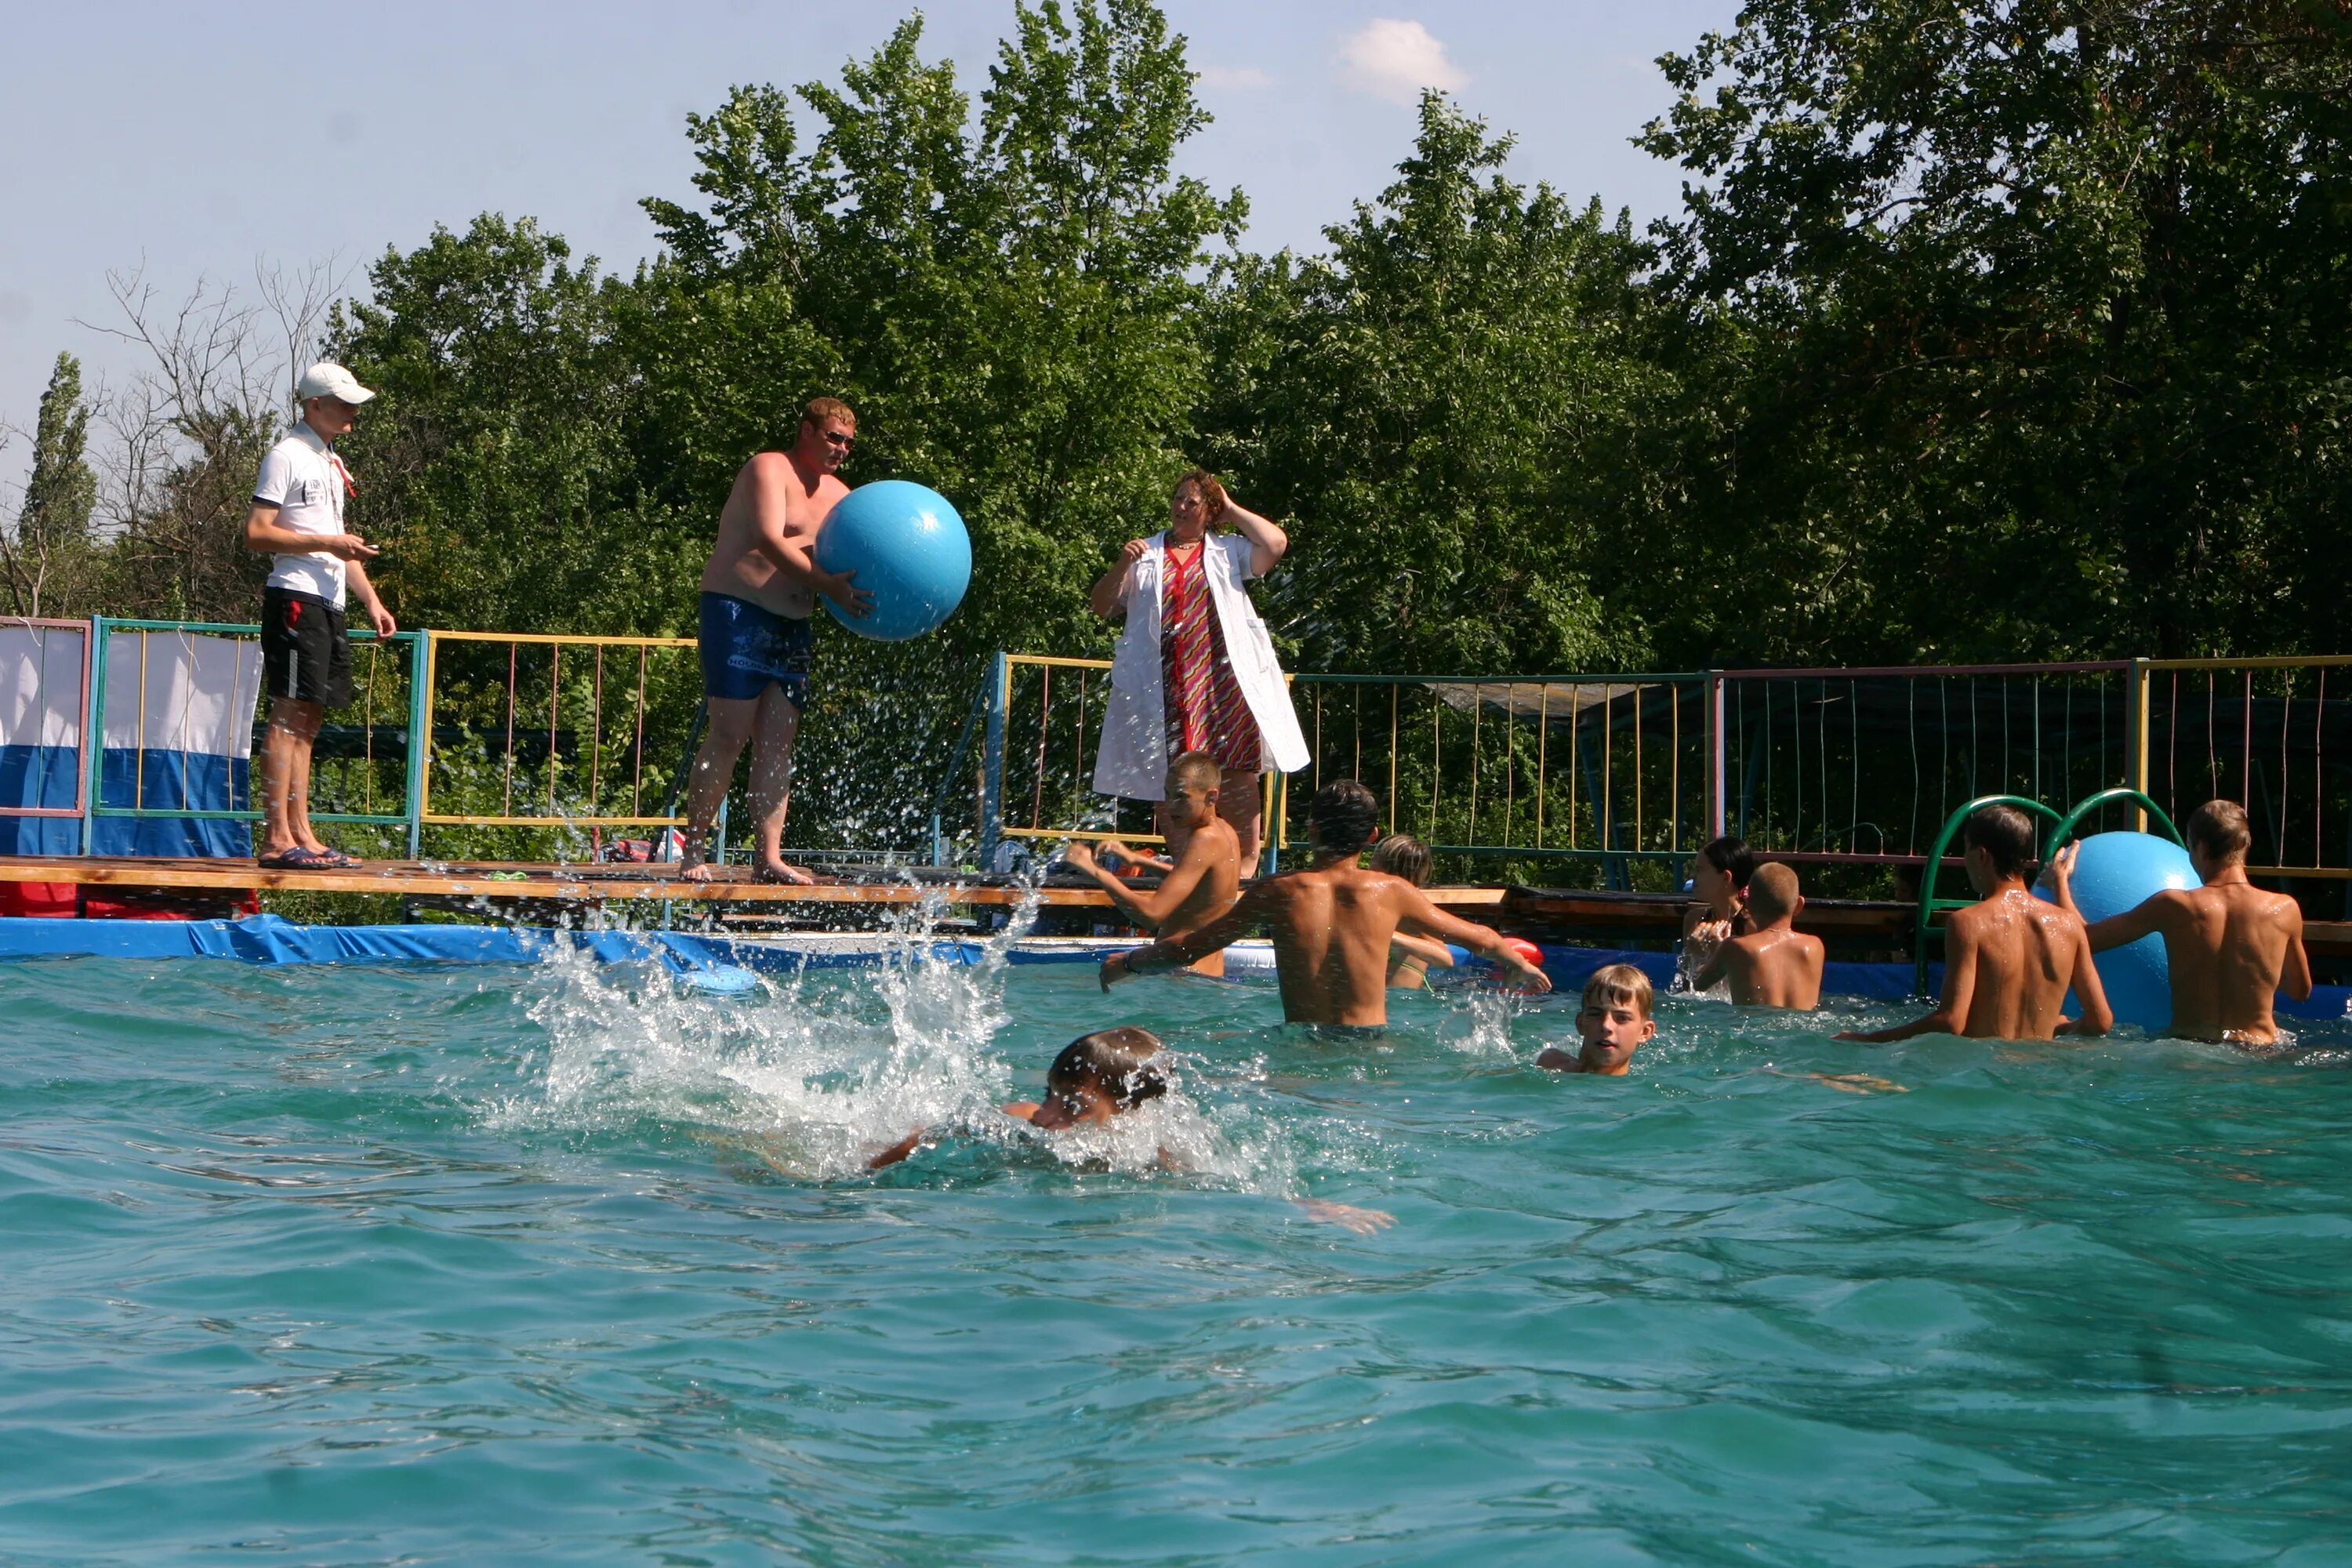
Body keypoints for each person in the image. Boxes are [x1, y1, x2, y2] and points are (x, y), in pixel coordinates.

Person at [1099, 780, 1550, 1026]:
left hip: (1300, 1044)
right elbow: (1479, 938)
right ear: (1373, 837)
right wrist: (1521, 963)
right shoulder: (1390, 891)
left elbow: (1190, 947)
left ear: (1311, 830)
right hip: (1372, 1049)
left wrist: (1128, 963)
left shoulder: (1277, 892)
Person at [869, 1027, 1393, 1235]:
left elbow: (1231, 1183)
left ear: (1127, 1111)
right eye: (1052, 1095)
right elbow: (930, 1134)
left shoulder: (1154, 1148)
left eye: (1072, 1105)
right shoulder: (1021, 1121)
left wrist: (1310, 1207)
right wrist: (861, 1171)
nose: (1050, 1116)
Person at [683, 397, 873, 884]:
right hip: (736, 611)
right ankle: (694, 852)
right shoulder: (768, 467)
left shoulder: (841, 496)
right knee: (730, 735)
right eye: (834, 437)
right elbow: (770, 539)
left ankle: (769, 857)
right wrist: (831, 585)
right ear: (806, 431)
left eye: (849, 442)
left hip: (793, 624)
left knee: (777, 746)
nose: (842, 449)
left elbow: (864, 552)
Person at [1089, 470, 1308, 873]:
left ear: (1210, 511)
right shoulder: (1146, 554)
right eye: (1177, 499)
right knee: (1169, 771)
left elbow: (1275, 543)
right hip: (1166, 683)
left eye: (1192, 502)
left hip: (1223, 680)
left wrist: (1232, 510)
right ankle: (1185, 865)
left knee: (1238, 766)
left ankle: (1244, 866)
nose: (1181, 507)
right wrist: (1123, 562)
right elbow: (1102, 606)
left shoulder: (1229, 550)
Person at [242, 362, 397, 869]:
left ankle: (302, 833)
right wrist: (328, 542)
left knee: (308, 719)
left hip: (327, 602)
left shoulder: (328, 460)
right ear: (314, 405)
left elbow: (339, 544)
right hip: (294, 597)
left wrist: (371, 601)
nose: (353, 411)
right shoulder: (285, 455)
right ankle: (275, 839)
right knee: (287, 717)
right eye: (344, 402)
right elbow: (259, 532)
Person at [1836, 803, 2113, 1043]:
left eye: (1965, 851)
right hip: (2041, 1075)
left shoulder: (1968, 923)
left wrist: (1868, 1039)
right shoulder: (2068, 925)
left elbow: (1950, 1021)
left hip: (1986, 1075)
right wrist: (2060, 1028)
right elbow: (2100, 1021)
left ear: (1982, 855)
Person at [2048, 799, 2313, 1045]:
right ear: (2245, 845)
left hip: (2190, 1047)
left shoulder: (2175, 906)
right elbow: (2301, 991)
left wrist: (2060, 882)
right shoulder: (2284, 909)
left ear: (2201, 847)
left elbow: (2085, 938)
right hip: (2259, 1049)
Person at [1062, 751, 1241, 976]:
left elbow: (1151, 914)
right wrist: (1138, 860)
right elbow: (1199, 885)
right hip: (1207, 976)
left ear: (1211, 797)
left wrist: (1095, 871)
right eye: (1167, 795)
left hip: (1182, 977)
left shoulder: (1204, 839)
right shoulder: (1225, 831)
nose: (1171, 806)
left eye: (1181, 797)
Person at [1693, 862, 1824, 1008]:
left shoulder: (1735, 947)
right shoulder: (1814, 947)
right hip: (1803, 1029)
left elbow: (1698, 984)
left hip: (1753, 1029)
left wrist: (1711, 952)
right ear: (1799, 905)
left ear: (1748, 904)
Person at [1369, 833, 1455, 989]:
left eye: (1375, 860)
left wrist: (1391, 936)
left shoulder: (1414, 909)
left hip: (1403, 1005)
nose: (1369, 865)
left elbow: (1444, 959)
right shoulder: (1374, 903)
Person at [1536, 965, 1657, 1075]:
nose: (1606, 1026)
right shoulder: (1550, 1065)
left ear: (1645, 1032)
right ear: (1580, 1023)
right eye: (1595, 1014)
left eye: (1622, 1018)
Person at [1678, 834, 1754, 989]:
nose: (1693, 877)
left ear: (1726, 877)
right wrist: (1695, 956)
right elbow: (1685, 991)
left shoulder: (1752, 926)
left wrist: (1718, 958)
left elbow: (1752, 991)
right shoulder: (1694, 919)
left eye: (1700, 870)